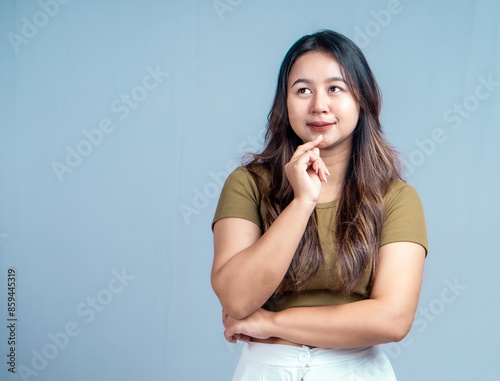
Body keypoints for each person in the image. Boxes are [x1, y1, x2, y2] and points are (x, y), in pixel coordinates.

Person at [211, 29, 428, 381]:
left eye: (335, 88)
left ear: (362, 98)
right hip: (266, 371)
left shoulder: (396, 198)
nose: (318, 105)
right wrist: (302, 202)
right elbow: (236, 299)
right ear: (285, 103)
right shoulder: (248, 184)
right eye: (303, 90)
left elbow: (393, 319)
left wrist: (272, 322)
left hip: (355, 372)